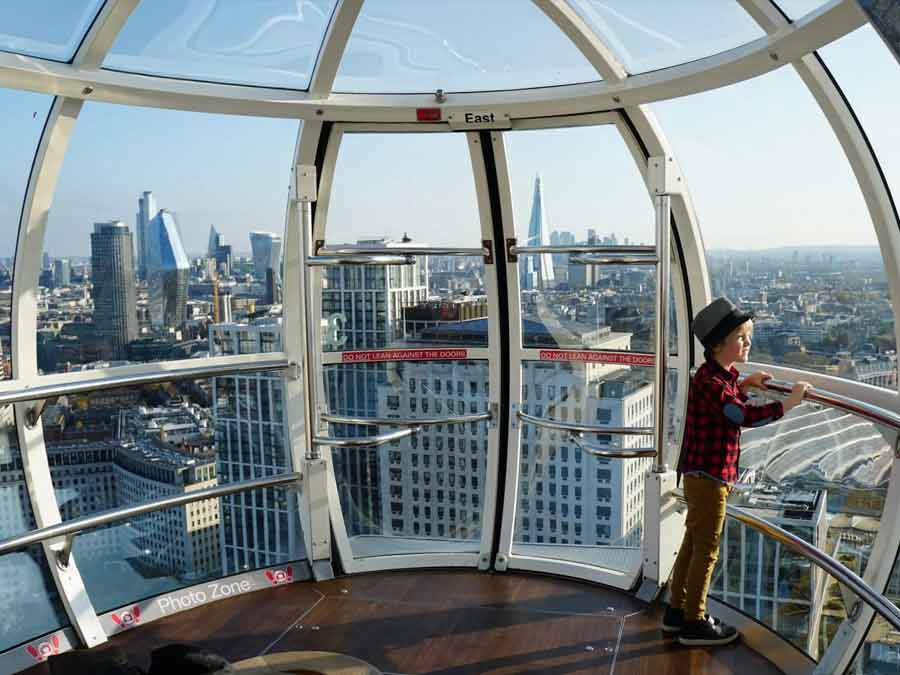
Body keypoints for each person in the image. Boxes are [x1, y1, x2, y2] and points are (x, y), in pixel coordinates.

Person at [662, 297, 811, 646]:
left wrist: (745, 386)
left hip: (702, 474)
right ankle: (694, 621)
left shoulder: (716, 377)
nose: (748, 343)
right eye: (741, 338)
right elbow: (738, 416)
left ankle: (676, 611)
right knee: (707, 548)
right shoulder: (713, 383)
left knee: (692, 543)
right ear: (718, 344)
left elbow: (729, 402)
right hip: (711, 477)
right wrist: (788, 403)